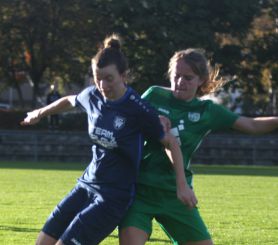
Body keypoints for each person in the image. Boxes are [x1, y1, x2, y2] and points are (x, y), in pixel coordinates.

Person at [21, 35, 195, 245]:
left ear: (124, 76)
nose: (102, 85)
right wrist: (40, 113)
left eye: (109, 78)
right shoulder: (92, 96)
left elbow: (171, 143)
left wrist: (182, 185)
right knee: (42, 242)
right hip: (85, 185)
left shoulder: (138, 110)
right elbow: (69, 100)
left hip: (112, 198)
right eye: (97, 77)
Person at [119, 48, 278, 245]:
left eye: (188, 77)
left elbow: (252, 125)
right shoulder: (154, 95)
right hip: (139, 191)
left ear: (201, 80)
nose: (180, 82)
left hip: (177, 194)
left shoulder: (207, 111)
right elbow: (123, 122)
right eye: (176, 76)